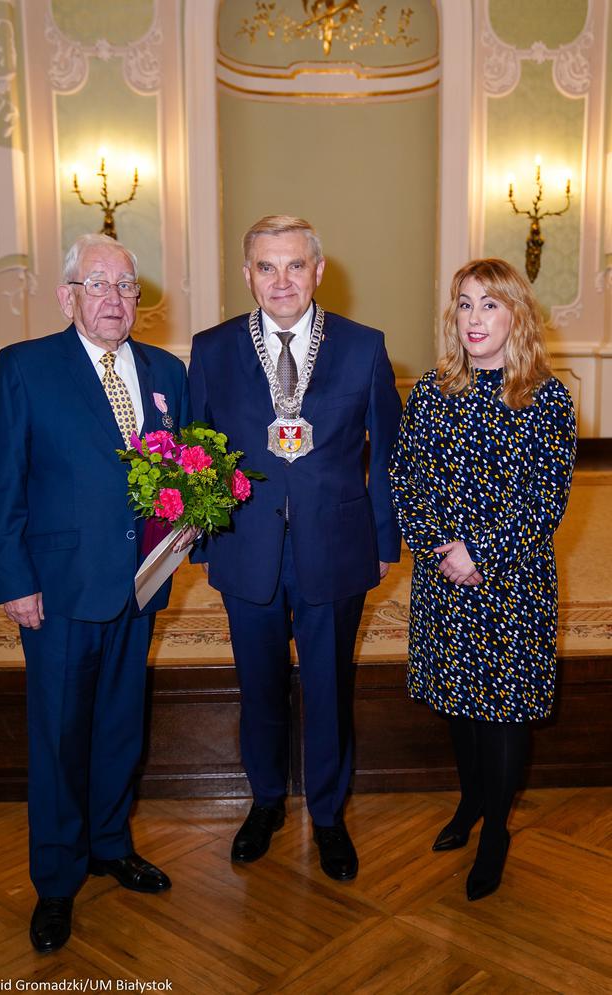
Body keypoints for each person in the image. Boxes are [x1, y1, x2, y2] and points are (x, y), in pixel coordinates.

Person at [0, 233, 191, 952]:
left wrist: (188, 523)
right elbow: (3, 485)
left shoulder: (166, 370)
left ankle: (110, 843)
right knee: (60, 737)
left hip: (140, 586)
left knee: (119, 728)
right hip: (60, 591)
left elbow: (183, 469)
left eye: (126, 286)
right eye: (97, 284)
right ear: (68, 295)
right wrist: (15, 581)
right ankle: (57, 879)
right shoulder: (25, 368)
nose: (113, 298)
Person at [188, 215, 402, 881]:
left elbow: (387, 455)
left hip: (335, 545)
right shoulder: (214, 347)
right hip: (246, 545)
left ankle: (330, 814)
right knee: (259, 686)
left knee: (330, 684)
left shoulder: (365, 347)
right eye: (265, 267)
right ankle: (265, 801)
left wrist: (384, 539)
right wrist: (204, 542)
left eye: (293, 265)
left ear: (319, 270)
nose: (280, 280)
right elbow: (198, 449)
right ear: (247, 274)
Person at [390, 258, 576, 901]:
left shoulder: (545, 397)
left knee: (502, 711)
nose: (474, 318)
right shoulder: (434, 393)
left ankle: (496, 827)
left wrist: (479, 553)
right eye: (465, 304)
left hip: (513, 583)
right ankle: (470, 802)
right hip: (444, 578)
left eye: (489, 305)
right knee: (459, 704)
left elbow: (544, 500)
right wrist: (438, 548)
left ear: (516, 315)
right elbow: (405, 479)